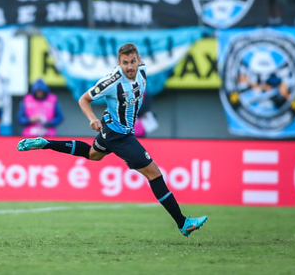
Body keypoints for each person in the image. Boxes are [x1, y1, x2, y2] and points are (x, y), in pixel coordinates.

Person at [17, 43, 208, 237]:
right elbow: (83, 99)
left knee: (93, 155)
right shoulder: (112, 82)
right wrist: (93, 119)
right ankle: (183, 222)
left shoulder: (142, 71)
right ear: (119, 63)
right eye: (125, 63)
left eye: (133, 61)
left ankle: (46, 143)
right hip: (119, 135)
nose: (130, 67)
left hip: (114, 129)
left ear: (139, 60)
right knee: (154, 173)